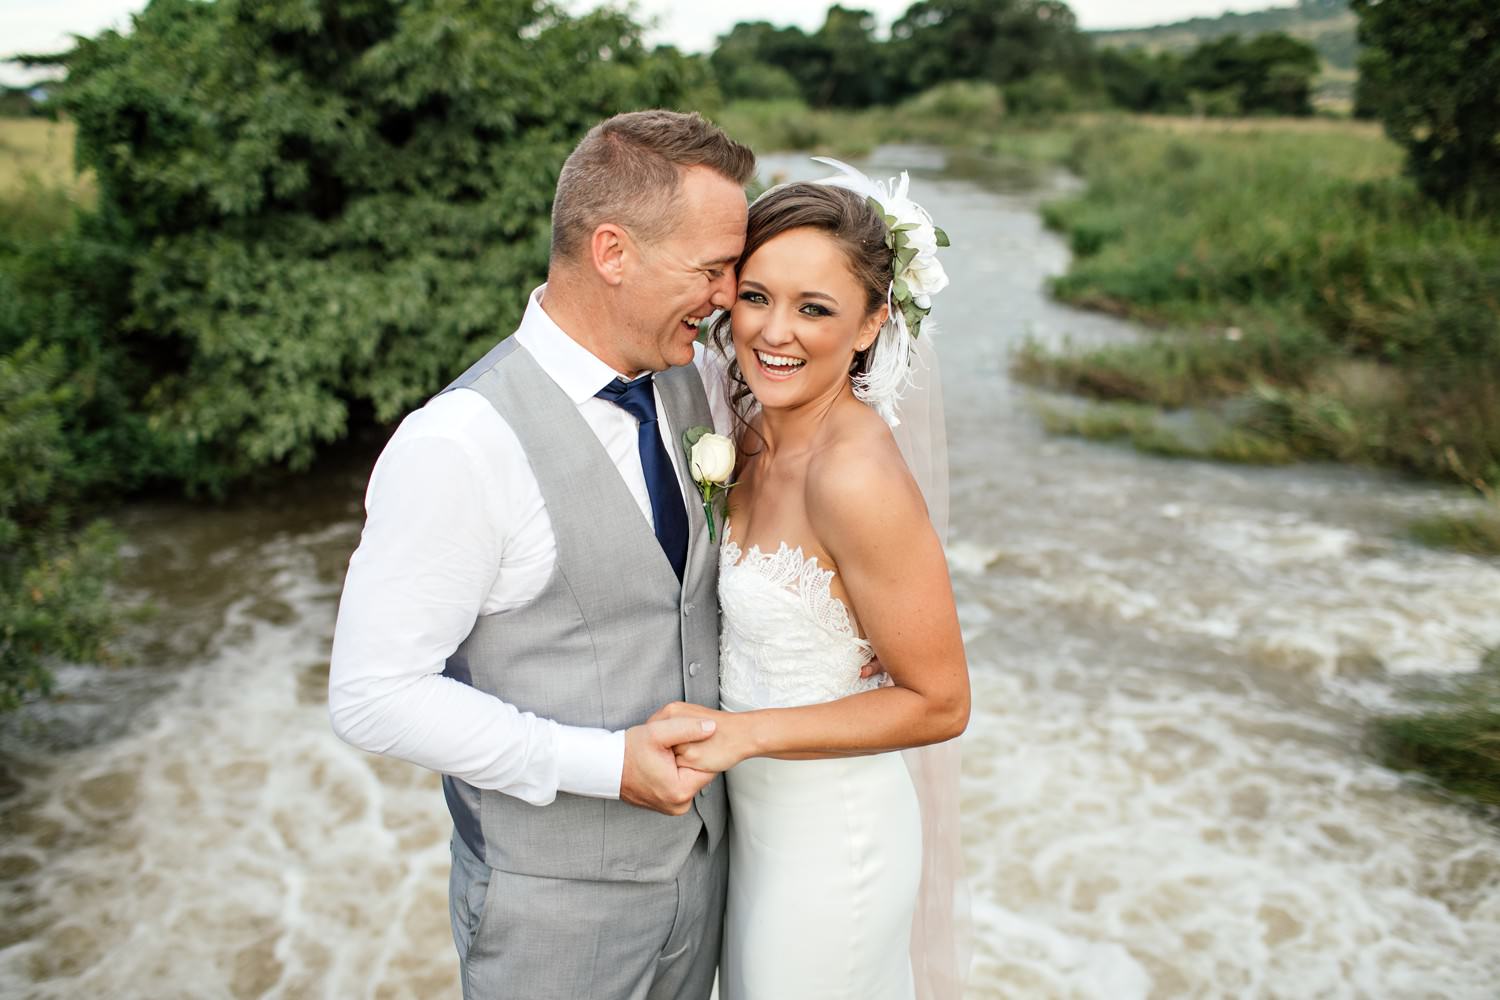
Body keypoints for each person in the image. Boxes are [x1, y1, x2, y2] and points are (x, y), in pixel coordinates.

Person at [328, 109, 757, 999]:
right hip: (554, 922)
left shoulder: (697, 378)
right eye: (711, 269)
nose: (725, 296)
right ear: (613, 252)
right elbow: (372, 698)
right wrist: (605, 767)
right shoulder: (458, 445)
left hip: (705, 877)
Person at [653, 170, 971, 1000]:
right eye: (756, 296)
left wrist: (744, 734)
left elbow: (941, 702)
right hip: (752, 829)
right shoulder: (751, 429)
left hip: (834, 847)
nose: (774, 331)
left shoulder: (857, 478)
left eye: (816, 308)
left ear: (873, 324)